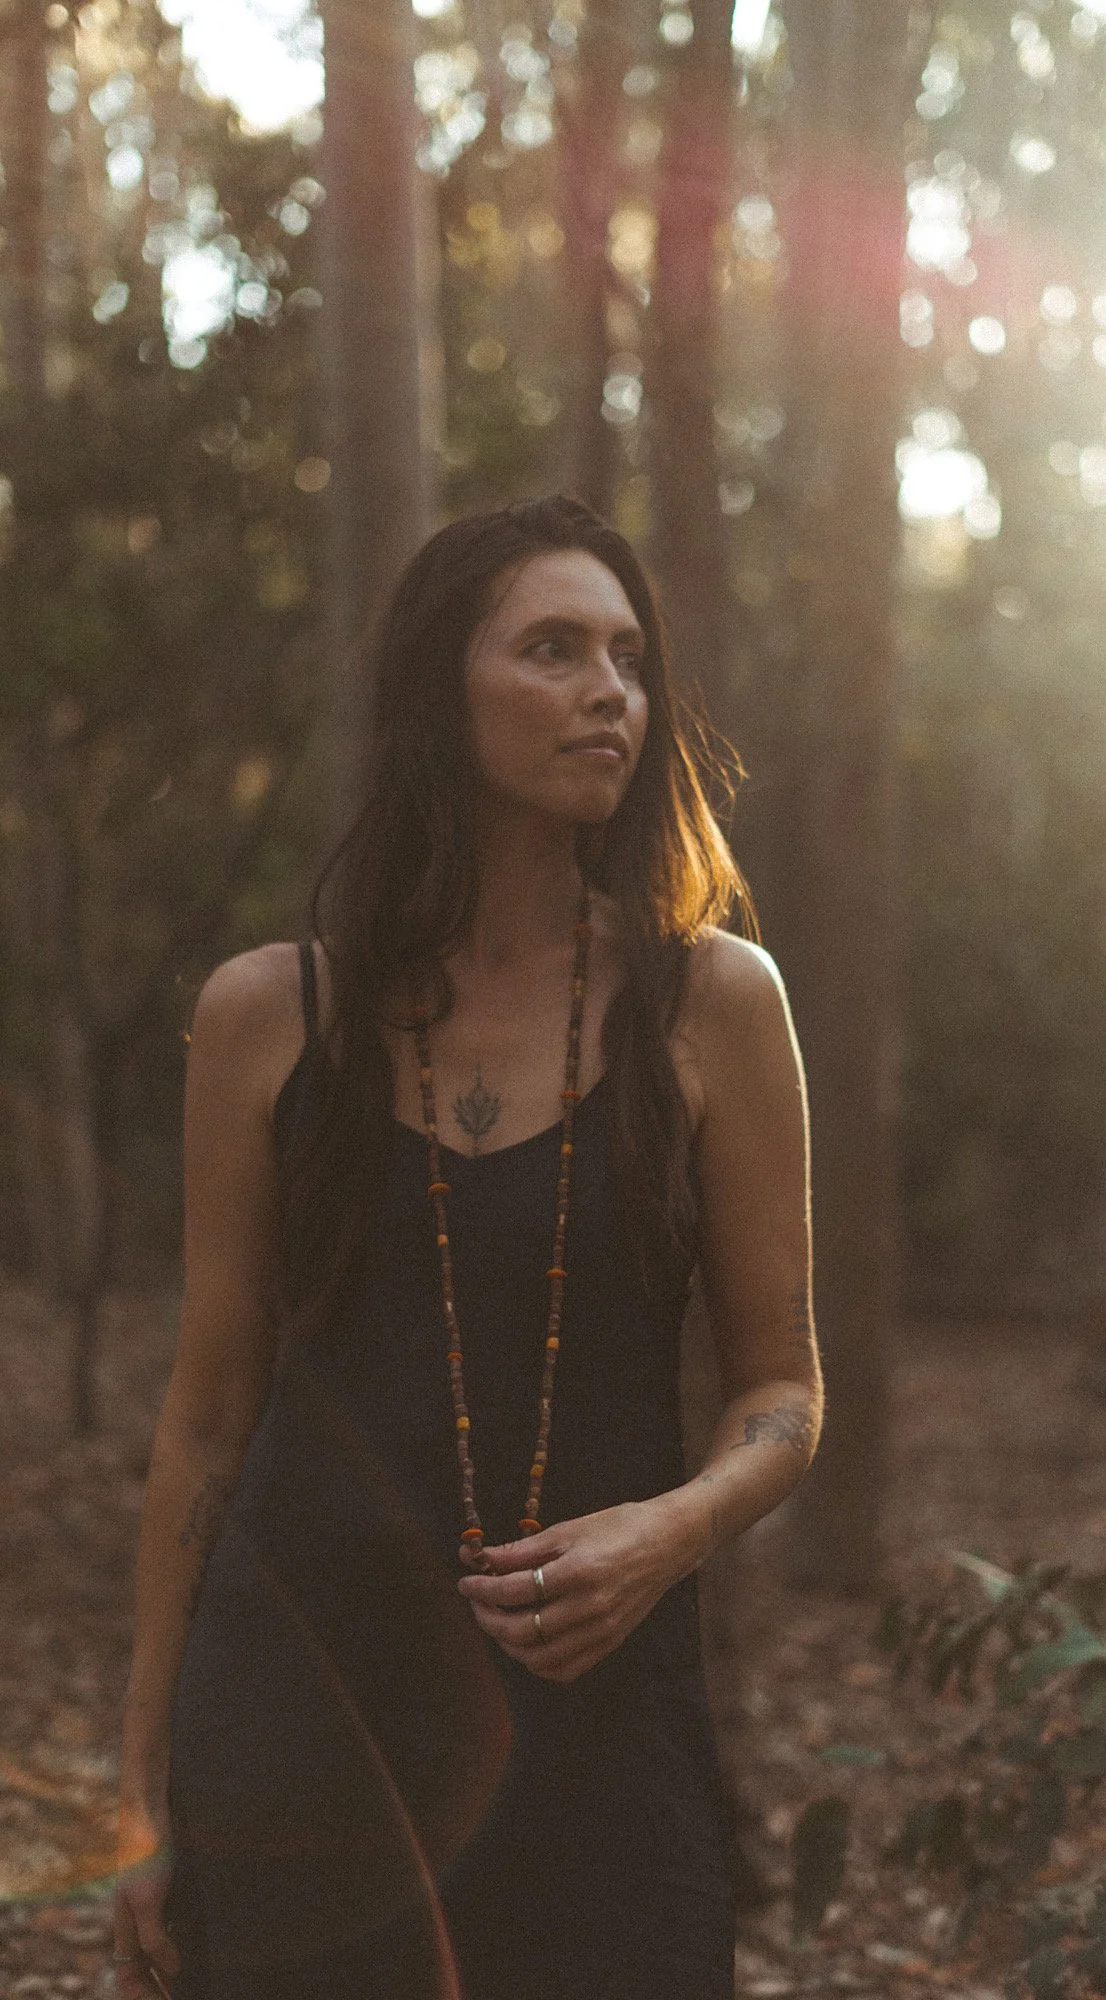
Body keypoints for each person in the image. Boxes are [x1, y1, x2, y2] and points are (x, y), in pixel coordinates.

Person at [112, 495, 822, 2000]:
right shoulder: (264, 1017)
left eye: (628, 657)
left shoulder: (714, 1004)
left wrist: (669, 1531)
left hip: (599, 1736)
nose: (607, 691)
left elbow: (784, 1391)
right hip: (300, 1738)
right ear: (442, 689)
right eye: (554, 650)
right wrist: (142, 1792)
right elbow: (207, 1417)